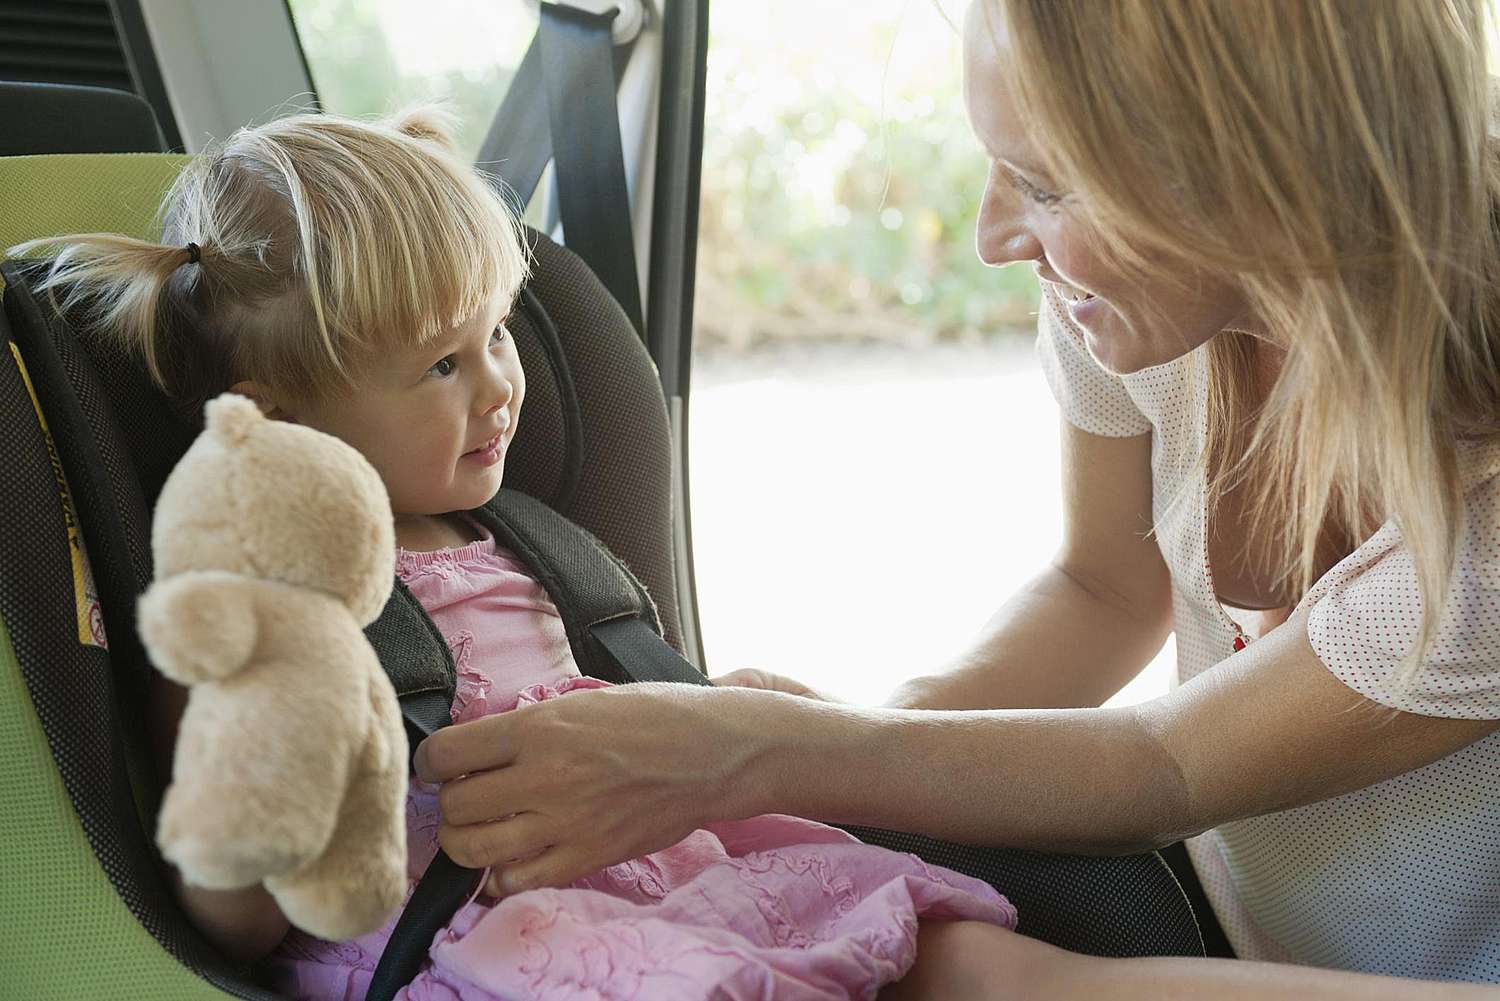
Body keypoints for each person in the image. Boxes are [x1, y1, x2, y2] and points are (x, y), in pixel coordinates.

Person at [408, 2, 1500, 997]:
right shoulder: (1142, 306)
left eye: (1047, 185)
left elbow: (1168, 763)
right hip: (1232, 916)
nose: (992, 236)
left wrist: (770, 745)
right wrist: (851, 737)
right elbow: (1104, 587)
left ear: (1257, 173)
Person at [11, 109, 1017, 999]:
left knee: (961, 953)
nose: (497, 386)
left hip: (666, 865)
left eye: (497, 331)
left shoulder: (539, 544)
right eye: (442, 364)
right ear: (282, 414)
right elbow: (234, 923)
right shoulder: (263, 608)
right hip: (475, 936)